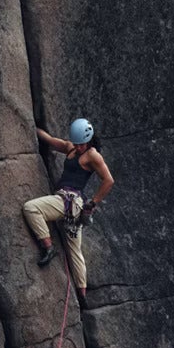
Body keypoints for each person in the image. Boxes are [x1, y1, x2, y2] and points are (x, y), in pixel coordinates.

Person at [22, 117, 114, 290]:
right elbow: (49, 139)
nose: (78, 147)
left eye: (82, 144)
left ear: (88, 140)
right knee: (75, 252)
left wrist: (93, 203)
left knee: (31, 208)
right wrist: (30, 124)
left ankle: (48, 247)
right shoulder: (71, 148)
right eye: (76, 143)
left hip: (70, 201)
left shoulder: (92, 154)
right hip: (71, 206)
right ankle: (82, 293)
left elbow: (108, 180)